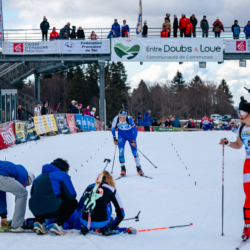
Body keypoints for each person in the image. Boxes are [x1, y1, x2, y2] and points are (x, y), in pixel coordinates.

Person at [219, 102, 250, 241]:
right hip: (248, 162)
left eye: (243, 113)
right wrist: (228, 143)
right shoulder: (242, 128)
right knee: (248, 196)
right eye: (239, 112)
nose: (240, 115)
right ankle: (247, 227)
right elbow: (238, 145)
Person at [29, 158, 78, 235]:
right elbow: (72, 196)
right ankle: (58, 225)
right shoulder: (62, 174)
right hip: (52, 209)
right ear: (65, 169)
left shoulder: (38, 177)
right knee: (73, 203)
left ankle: (38, 222)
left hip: (34, 209)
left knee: (41, 200)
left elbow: (33, 195)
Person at [79, 171, 137, 236]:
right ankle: (106, 227)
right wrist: (112, 226)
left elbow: (79, 206)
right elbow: (121, 214)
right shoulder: (111, 189)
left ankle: (86, 227)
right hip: (102, 222)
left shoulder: (89, 187)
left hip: (85, 221)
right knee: (107, 204)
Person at [0, 161, 35, 232]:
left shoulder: (15, 169)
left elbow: (1, 197)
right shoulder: (24, 173)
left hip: (2, 175)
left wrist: (3, 217)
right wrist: (19, 218)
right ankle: (16, 226)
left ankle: (16, 223)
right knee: (23, 193)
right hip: (1, 175)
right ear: (28, 177)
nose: (26, 185)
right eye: (29, 183)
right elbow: (20, 196)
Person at [111, 109, 144, 176]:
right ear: (119, 116)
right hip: (121, 135)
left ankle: (139, 168)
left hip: (130, 135)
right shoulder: (116, 119)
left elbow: (135, 131)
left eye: (124, 117)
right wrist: (114, 138)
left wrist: (134, 140)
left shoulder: (129, 119)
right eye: (121, 117)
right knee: (121, 151)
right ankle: (123, 168)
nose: (123, 118)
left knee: (134, 151)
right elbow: (112, 128)